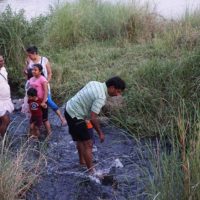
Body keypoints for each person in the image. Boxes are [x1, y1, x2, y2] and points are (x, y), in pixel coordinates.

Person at [64, 76, 126, 174]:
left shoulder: (95, 83)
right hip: (76, 115)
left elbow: (84, 97)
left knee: (80, 140)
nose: (118, 94)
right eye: (118, 91)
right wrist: (100, 133)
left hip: (69, 109)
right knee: (88, 144)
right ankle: (92, 173)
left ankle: (82, 162)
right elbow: (93, 117)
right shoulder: (101, 97)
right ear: (112, 87)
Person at [24, 46, 67, 126]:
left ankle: (61, 118)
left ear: (34, 53)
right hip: (32, 87)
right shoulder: (28, 60)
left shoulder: (44, 60)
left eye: (29, 55)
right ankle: (37, 123)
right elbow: (26, 73)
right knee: (33, 104)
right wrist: (26, 73)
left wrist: (46, 82)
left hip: (43, 85)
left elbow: (50, 73)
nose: (28, 57)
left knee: (49, 101)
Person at [29, 63, 51, 136]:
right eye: (33, 70)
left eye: (35, 70)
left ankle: (49, 134)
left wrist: (44, 102)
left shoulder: (43, 79)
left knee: (45, 119)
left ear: (40, 71)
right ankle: (35, 135)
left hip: (42, 101)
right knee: (35, 117)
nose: (33, 71)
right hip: (34, 102)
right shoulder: (31, 79)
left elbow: (46, 91)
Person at [0, 55, 14, 137]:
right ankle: (3, 140)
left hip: (6, 99)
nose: (2, 62)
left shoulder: (3, 70)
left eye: (2, 60)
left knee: (3, 121)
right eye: (0, 61)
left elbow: (6, 81)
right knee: (6, 120)